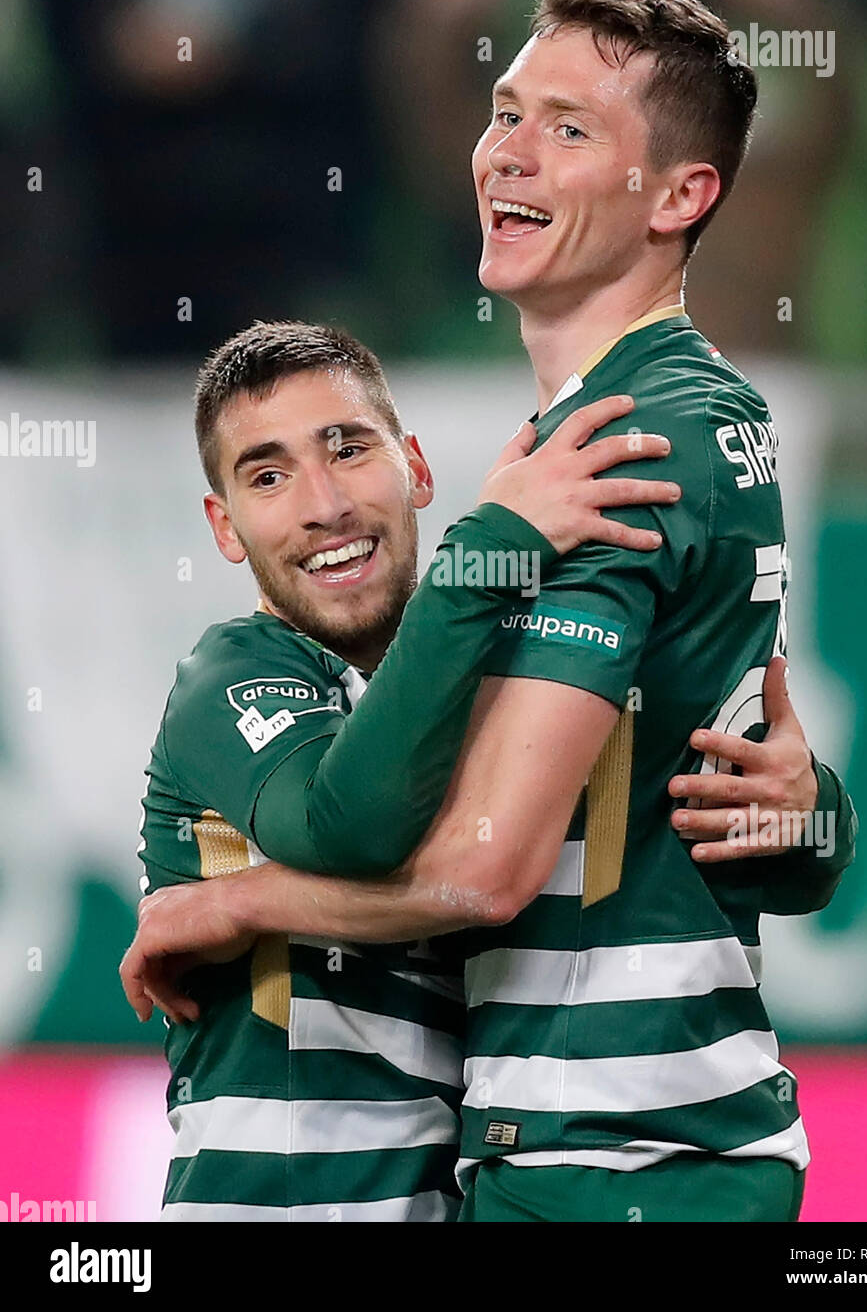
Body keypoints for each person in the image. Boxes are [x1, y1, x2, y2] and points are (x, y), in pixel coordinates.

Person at [124, 0, 858, 1223]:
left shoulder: (630, 439)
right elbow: (701, 769)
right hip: (605, 1149)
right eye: (504, 110)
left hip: (618, 1152)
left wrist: (227, 899)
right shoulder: (597, 442)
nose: (508, 153)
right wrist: (813, 822)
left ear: (681, 195)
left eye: (568, 128)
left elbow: (479, 872)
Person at [132, 319, 682, 1221]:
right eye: (267, 477)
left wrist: (806, 807)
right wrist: (485, 555)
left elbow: (732, 823)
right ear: (225, 528)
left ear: (417, 469)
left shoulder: (494, 679)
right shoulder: (229, 675)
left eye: (347, 449)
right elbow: (347, 827)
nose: (324, 505)